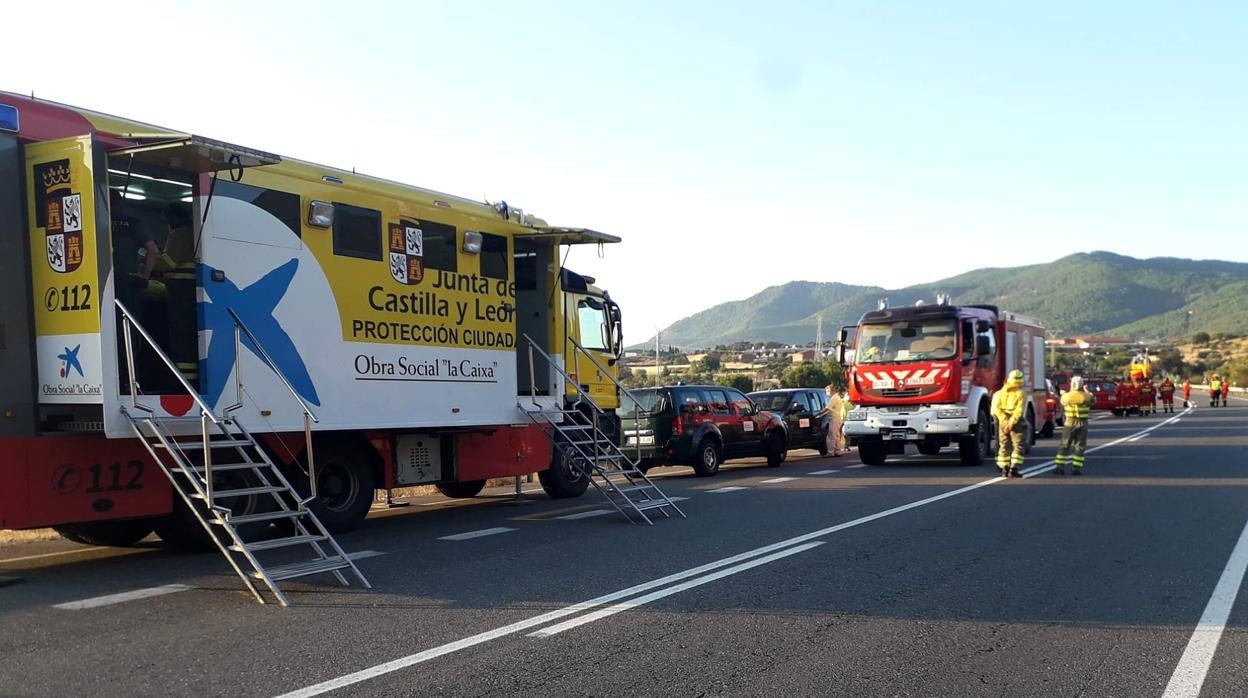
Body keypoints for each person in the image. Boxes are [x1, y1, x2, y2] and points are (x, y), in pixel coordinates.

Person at [991, 369, 1028, 478]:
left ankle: (1004, 469)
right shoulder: (1021, 393)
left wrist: (1004, 421)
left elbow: (997, 409)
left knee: (1004, 445)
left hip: (1003, 422)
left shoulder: (999, 393)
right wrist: (1012, 422)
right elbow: (1019, 410)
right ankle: (1013, 469)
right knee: (1018, 445)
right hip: (1015, 422)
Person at [1054, 376, 1094, 475]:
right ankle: (1076, 468)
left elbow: (1062, 402)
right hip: (1082, 423)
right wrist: (1087, 391)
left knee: (1064, 445)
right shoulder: (1086, 396)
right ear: (1081, 385)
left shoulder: (1066, 396)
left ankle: (1059, 467)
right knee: (1080, 446)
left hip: (1070, 422)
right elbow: (1093, 400)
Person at [823, 385, 845, 457]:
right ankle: (837, 451)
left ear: (832, 391)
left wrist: (820, 412)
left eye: (828, 391)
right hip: (838, 418)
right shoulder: (837, 397)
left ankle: (831, 452)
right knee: (836, 435)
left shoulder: (834, 398)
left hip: (834, 418)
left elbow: (827, 408)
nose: (827, 393)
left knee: (831, 436)